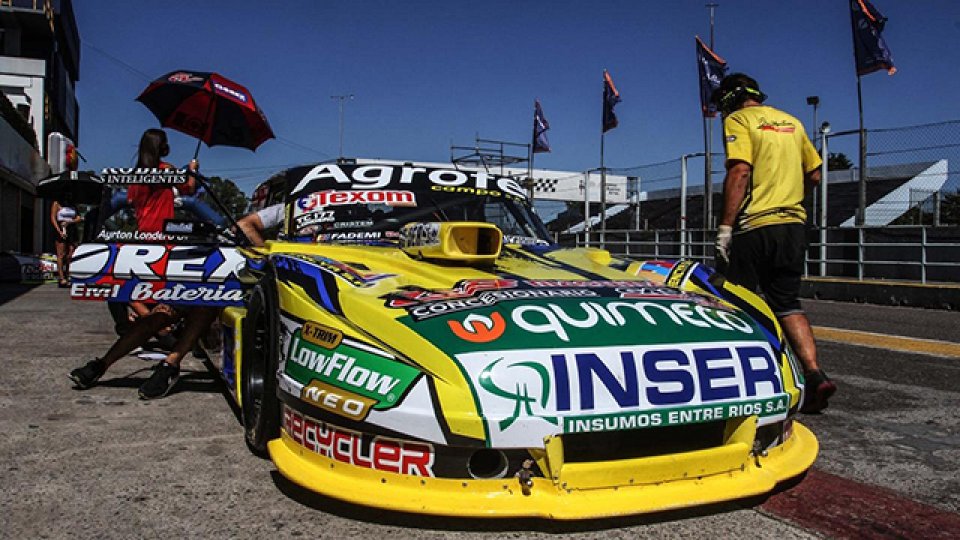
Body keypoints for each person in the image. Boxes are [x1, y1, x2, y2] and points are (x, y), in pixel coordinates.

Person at [712, 73, 837, 414]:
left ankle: (743, 383)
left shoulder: (739, 119)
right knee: (786, 303)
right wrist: (791, 198)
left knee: (736, 302)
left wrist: (725, 226)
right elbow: (814, 174)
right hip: (793, 225)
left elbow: (740, 171)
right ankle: (814, 374)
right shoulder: (793, 121)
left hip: (756, 226)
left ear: (729, 99)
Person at [51, 196, 83, 287]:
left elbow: (79, 217)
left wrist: (71, 222)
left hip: (71, 228)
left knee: (70, 253)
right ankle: (61, 278)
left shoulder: (73, 205)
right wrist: (59, 231)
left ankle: (68, 274)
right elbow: (53, 218)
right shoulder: (56, 203)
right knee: (61, 254)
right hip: (61, 227)